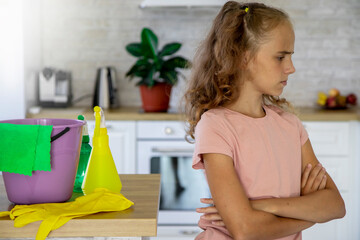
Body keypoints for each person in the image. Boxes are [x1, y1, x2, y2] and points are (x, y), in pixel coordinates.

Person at [183, 1, 346, 240]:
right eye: (280, 57)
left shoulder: (290, 125)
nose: (291, 68)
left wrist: (262, 206)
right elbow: (245, 230)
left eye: (290, 56)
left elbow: (335, 206)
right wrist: (310, 210)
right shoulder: (216, 125)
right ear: (243, 58)